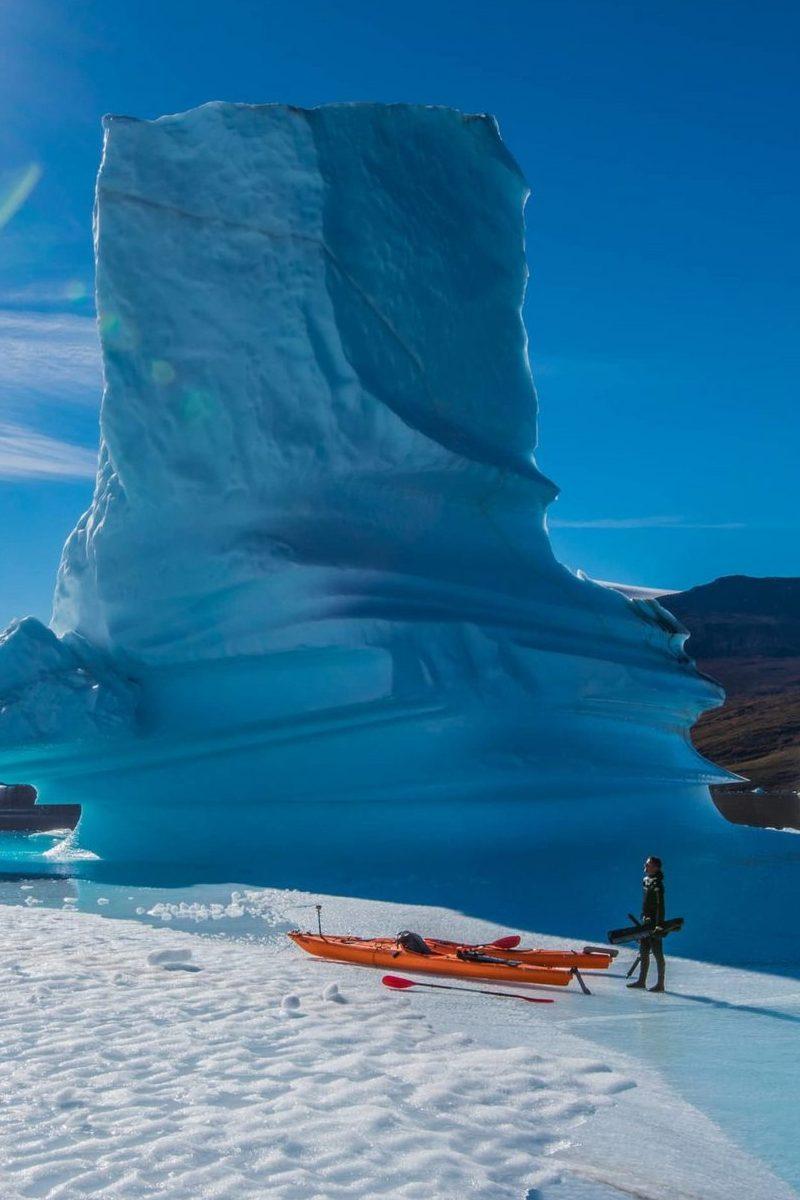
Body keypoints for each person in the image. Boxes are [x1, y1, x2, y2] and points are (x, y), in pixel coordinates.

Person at [626, 855, 666, 992]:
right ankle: (641, 980)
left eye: (648, 864)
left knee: (657, 953)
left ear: (655, 867)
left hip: (654, 924)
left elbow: (660, 906)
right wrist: (643, 916)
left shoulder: (657, 885)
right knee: (643, 952)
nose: (646, 865)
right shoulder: (646, 881)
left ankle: (660, 983)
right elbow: (645, 903)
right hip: (645, 922)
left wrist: (659, 925)